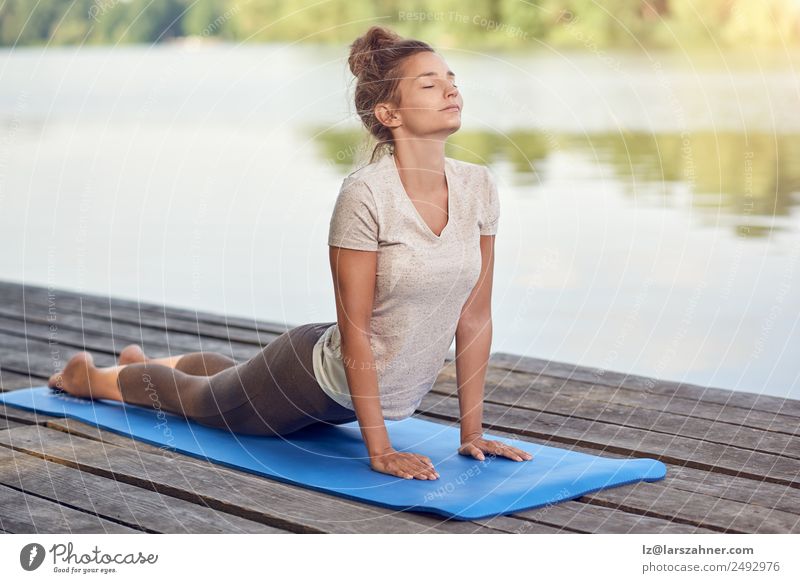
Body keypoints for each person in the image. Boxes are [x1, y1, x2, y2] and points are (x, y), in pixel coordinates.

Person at [47, 24, 533, 481]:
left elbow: (474, 316)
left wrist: (472, 433)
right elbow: (355, 328)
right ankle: (91, 378)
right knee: (201, 402)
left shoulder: (478, 186)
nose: (452, 90)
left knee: (231, 383)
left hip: (350, 387)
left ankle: (139, 362)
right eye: (430, 85)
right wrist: (380, 450)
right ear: (389, 114)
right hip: (313, 378)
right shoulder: (366, 194)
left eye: (452, 79)